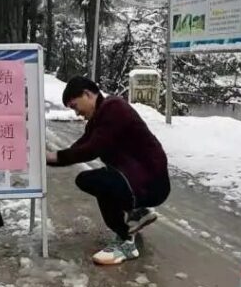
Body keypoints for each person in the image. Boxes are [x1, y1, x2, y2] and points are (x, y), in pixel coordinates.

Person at [46, 76, 170, 265]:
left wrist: (53, 157)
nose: (77, 113)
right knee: (96, 180)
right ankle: (137, 213)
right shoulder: (99, 119)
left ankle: (125, 240)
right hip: (140, 181)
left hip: (150, 182)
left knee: (94, 181)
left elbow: (91, 149)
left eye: (75, 105)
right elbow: (78, 148)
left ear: (87, 94)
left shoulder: (114, 108)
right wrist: (50, 158)